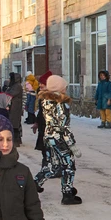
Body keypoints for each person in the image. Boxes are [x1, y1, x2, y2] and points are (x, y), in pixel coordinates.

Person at [34, 75, 82, 205]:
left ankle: (34, 184)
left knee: (53, 165)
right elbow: (64, 126)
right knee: (69, 165)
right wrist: (72, 145)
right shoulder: (61, 103)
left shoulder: (46, 101)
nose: (66, 89)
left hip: (48, 136)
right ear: (59, 88)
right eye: (64, 86)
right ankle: (67, 194)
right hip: (60, 138)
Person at [7, 72, 24, 145]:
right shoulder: (14, 85)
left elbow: (10, 93)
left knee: (15, 124)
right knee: (14, 123)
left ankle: (16, 140)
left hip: (16, 107)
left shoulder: (17, 86)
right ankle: (17, 139)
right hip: (13, 106)